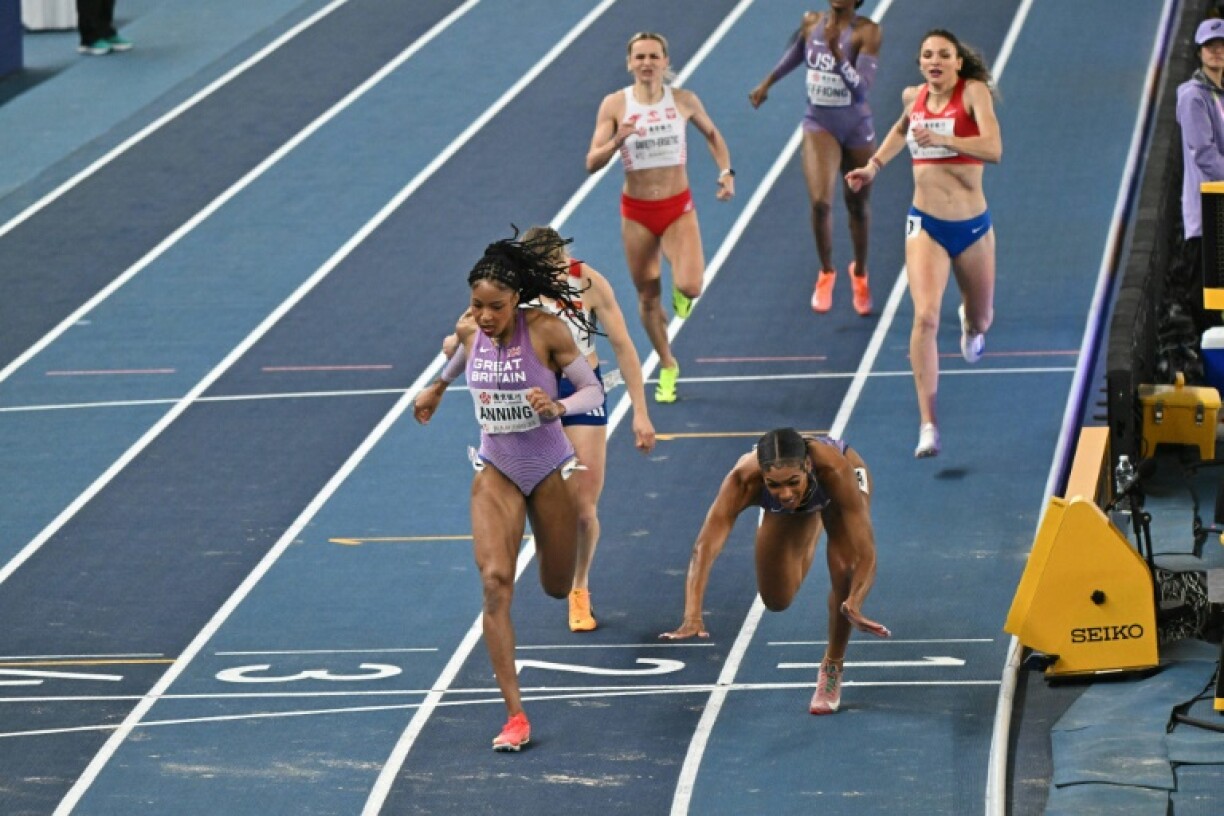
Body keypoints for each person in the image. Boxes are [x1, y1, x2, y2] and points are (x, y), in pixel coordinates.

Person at [413, 229, 605, 752]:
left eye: (495, 307)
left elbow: (592, 388)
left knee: (554, 584)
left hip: (548, 465)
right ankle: (515, 715)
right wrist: (437, 386)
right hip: (496, 465)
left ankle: (563, 570)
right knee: (495, 583)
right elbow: (460, 360)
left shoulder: (546, 331)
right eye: (477, 305)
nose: (485, 316)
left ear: (516, 299)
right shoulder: (472, 331)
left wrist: (560, 407)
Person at [443, 226, 657, 632]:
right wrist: (452, 346)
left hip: (577, 391)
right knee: (532, 492)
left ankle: (580, 589)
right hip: (526, 394)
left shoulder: (588, 281)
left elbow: (624, 344)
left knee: (582, 507)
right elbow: (467, 331)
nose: (556, 275)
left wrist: (640, 411)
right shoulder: (513, 291)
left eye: (560, 267)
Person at [846, 29, 1001, 458]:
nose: (935, 61)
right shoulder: (913, 97)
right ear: (920, 63)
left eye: (944, 55)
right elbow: (900, 130)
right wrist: (873, 167)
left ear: (957, 62)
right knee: (925, 318)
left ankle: (971, 324)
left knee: (982, 319)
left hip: (971, 226)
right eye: (928, 55)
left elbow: (994, 148)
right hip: (925, 223)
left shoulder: (973, 94)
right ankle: (928, 423)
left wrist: (946, 139)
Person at [661, 428, 889, 715]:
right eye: (774, 486)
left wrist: (856, 600)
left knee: (845, 567)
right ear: (763, 477)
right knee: (776, 600)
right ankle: (808, 520)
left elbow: (866, 552)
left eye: (793, 483)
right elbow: (703, 549)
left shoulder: (835, 468)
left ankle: (832, 666)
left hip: (833, 491)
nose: (785, 493)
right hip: (800, 501)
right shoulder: (743, 480)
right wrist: (692, 615)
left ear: (807, 466)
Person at [586, 31, 735, 404]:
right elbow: (591, 163)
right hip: (637, 213)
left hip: (676, 207)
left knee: (690, 286)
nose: (647, 63)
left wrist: (726, 172)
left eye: (654, 56)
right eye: (640, 57)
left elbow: (713, 135)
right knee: (647, 297)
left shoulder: (683, 100)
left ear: (666, 62)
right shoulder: (614, 105)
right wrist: (617, 140)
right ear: (629, 63)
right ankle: (668, 364)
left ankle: (681, 292)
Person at [748, 1, 882, 316]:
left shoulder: (868, 32)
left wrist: (837, 53)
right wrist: (767, 82)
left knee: (857, 206)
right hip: (818, 124)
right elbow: (798, 51)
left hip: (856, 126)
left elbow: (861, 90)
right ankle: (826, 272)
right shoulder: (811, 23)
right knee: (821, 203)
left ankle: (860, 273)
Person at [1176, 17, 1224, 327]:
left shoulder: (1219, 94)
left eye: (1222, 46)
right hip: (1208, 211)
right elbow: (1205, 153)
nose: (1217, 52)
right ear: (1199, 52)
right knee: (1207, 295)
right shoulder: (1193, 96)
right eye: (1210, 46)